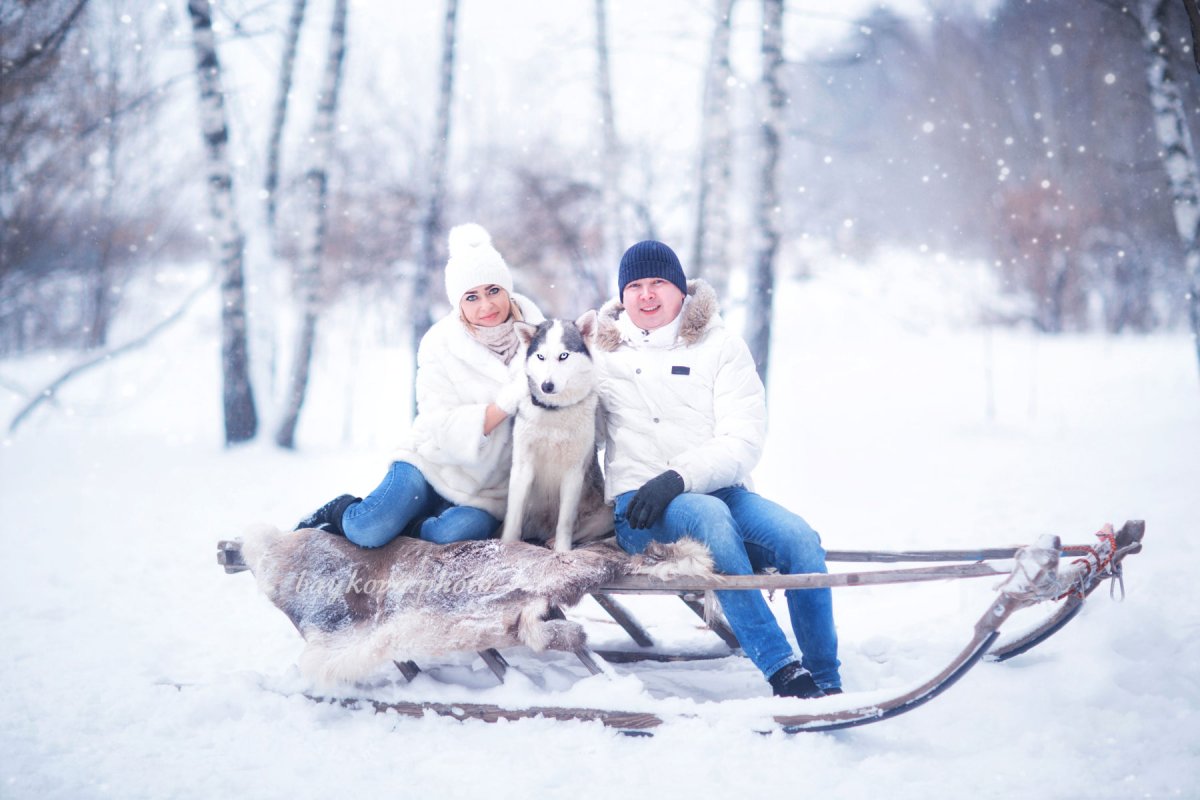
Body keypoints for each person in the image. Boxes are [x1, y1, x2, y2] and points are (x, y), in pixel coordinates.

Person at [590, 240, 842, 698]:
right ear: (622, 296)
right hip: (641, 511)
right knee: (708, 519)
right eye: (635, 286)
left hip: (722, 491)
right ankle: (782, 669)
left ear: (681, 290)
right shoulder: (601, 353)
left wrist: (678, 478)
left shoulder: (720, 345)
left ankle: (827, 678)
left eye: (659, 283)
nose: (647, 295)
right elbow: (574, 427)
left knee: (800, 539)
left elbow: (743, 439)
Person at [293, 223, 541, 547]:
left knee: (449, 535)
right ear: (459, 303)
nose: (486, 306)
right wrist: (503, 407)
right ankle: (341, 510)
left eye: (493, 290)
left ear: (507, 289)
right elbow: (439, 425)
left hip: (490, 490)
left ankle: (413, 526)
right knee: (368, 530)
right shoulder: (439, 343)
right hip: (430, 462)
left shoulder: (543, 339)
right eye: (472, 296)